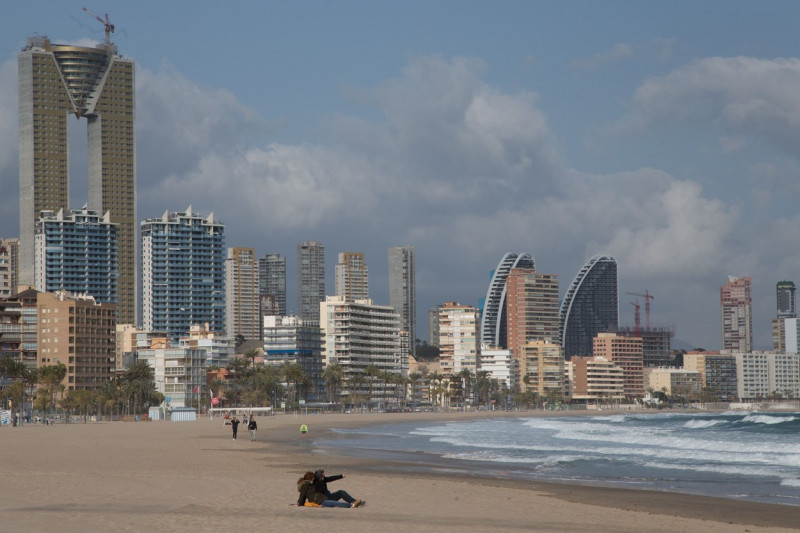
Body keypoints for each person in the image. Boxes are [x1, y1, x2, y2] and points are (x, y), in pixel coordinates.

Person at [297, 472, 361, 508]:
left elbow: (330, 478)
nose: (324, 476)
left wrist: (341, 476)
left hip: (322, 499)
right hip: (320, 500)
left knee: (340, 494)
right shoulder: (308, 484)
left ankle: (353, 502)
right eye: (322, 475)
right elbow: (302, 495)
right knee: (336, 503)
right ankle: (351, 505)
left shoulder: (313, 483)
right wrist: (300, 504)